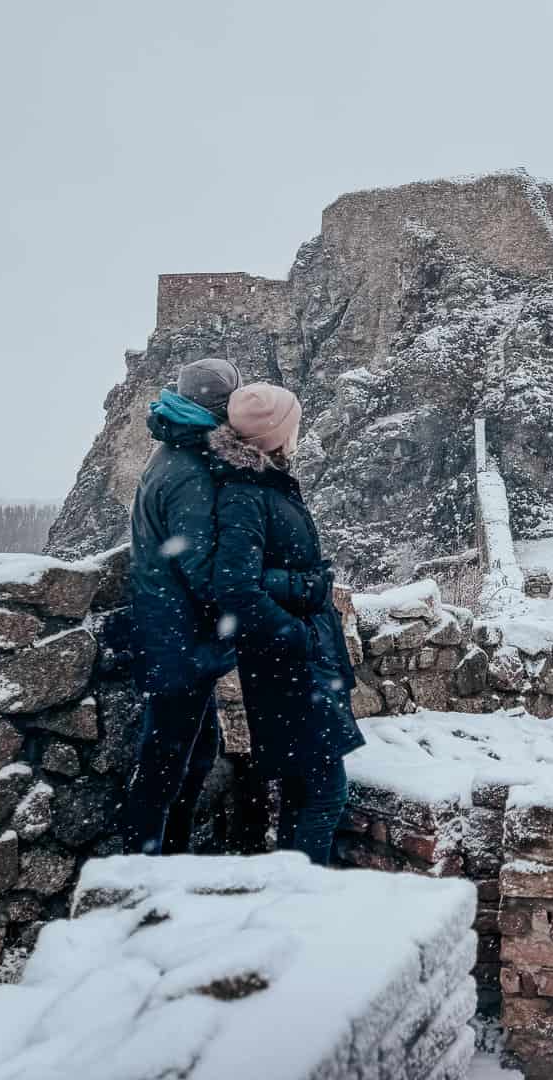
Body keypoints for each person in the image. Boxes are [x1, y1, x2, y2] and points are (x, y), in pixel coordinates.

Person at [211, 383, 364, 865]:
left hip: (295, 665)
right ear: (275, 435)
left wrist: (302, 585)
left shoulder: (263, 484)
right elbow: (235, 586)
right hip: (291, 667)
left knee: (304, 791)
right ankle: (305, 908)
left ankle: (292, 903)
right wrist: (298, 620)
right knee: (325, 794)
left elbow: (257, 574)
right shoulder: (246, 492)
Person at [122, 358, 243, 857]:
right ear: (218, 407)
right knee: (165, 762)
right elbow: (199, 564)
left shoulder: (174, 452)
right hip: (178, 639)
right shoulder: (189, 469)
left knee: (194, 752)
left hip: (171, 630)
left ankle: (166, 858)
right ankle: (146, 871)